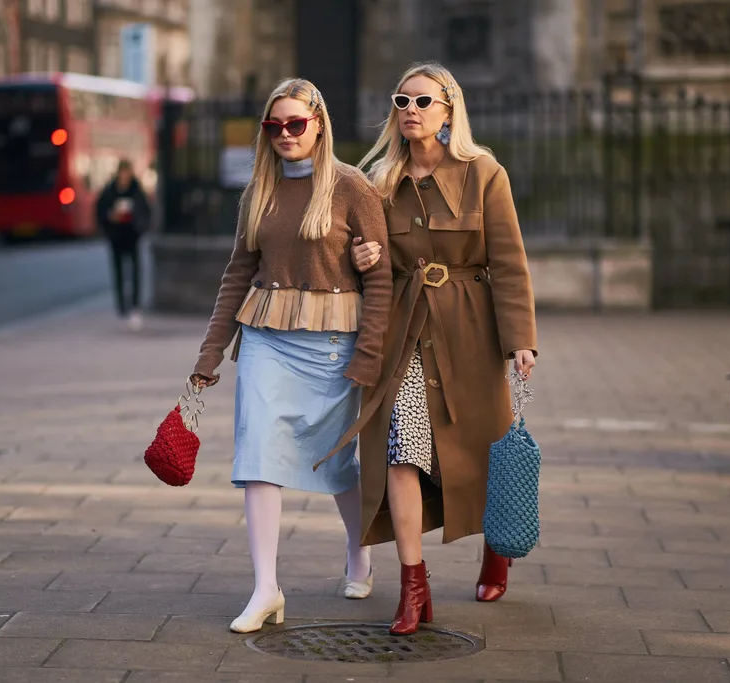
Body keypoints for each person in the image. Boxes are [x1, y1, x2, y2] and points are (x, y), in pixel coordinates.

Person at [324, 62, 538, 635]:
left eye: (423, 101)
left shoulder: (484, 173)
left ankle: (498, 548)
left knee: (482, 449)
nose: (410, 110)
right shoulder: (377, 182)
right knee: (402, 450)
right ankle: (413, 587)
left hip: (470, 332)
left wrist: (520, 340)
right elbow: (356, 254)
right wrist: (362, 259)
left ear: (449, 110)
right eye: (402, 100)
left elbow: (510, 263)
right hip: (403, 333)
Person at [190, 78, 393, 633]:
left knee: (335, 462)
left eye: (295, 124)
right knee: (256, 456)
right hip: (264, 338)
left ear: (319, 124)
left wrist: (369, 357)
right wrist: (211, 351)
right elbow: (238, 272)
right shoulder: (259, 190)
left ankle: (359, 550)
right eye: (274, 126)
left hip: (333, 343)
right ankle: (265, 588)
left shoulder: (353, 189)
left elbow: (381, 282)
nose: (284, 134)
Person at [96, 159, 152, 330]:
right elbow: (100, 210)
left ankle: (135, 305)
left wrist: (138, 224)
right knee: (118, 271)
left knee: (135, 271)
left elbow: (145, 211)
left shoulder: (136, 190)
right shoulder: (110, 191)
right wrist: (110, 217)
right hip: (116, 236)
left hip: (132, 236)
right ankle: (122, 305)